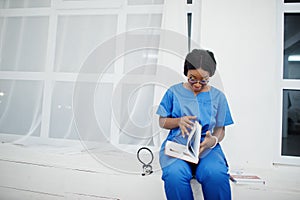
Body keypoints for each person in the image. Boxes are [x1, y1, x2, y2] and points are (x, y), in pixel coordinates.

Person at [156, 49, 234, 200]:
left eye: (203, 80)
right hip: (177, 147)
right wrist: (178, 121)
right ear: (186, 73)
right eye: (192, 78)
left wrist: (214, 140)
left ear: (210, 76)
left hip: (207, 147)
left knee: (216, 174)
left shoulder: (218, 97)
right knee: (173, 175)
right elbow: (162, 121)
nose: (197, 84)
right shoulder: (173, 92)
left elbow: (220, 129)